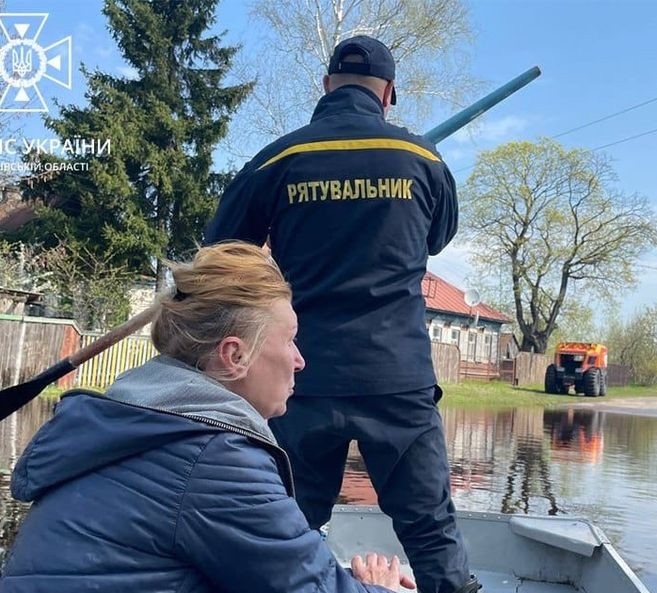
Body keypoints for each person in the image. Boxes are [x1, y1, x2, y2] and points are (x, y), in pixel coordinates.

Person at [204, 36, 476, 593]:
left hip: (301, 376)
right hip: (396, 379)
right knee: (429, 527)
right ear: (389, 95)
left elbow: (222, 251)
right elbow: (440, 236)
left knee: (288, 524)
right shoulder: (423, 159)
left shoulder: (280, 159)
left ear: (327, 86)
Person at [0, 241, 415, 593]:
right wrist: (379, 586)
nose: (300, 360)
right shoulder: (213, 456)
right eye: (289, 340)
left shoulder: (133, 422)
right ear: (234, 356)